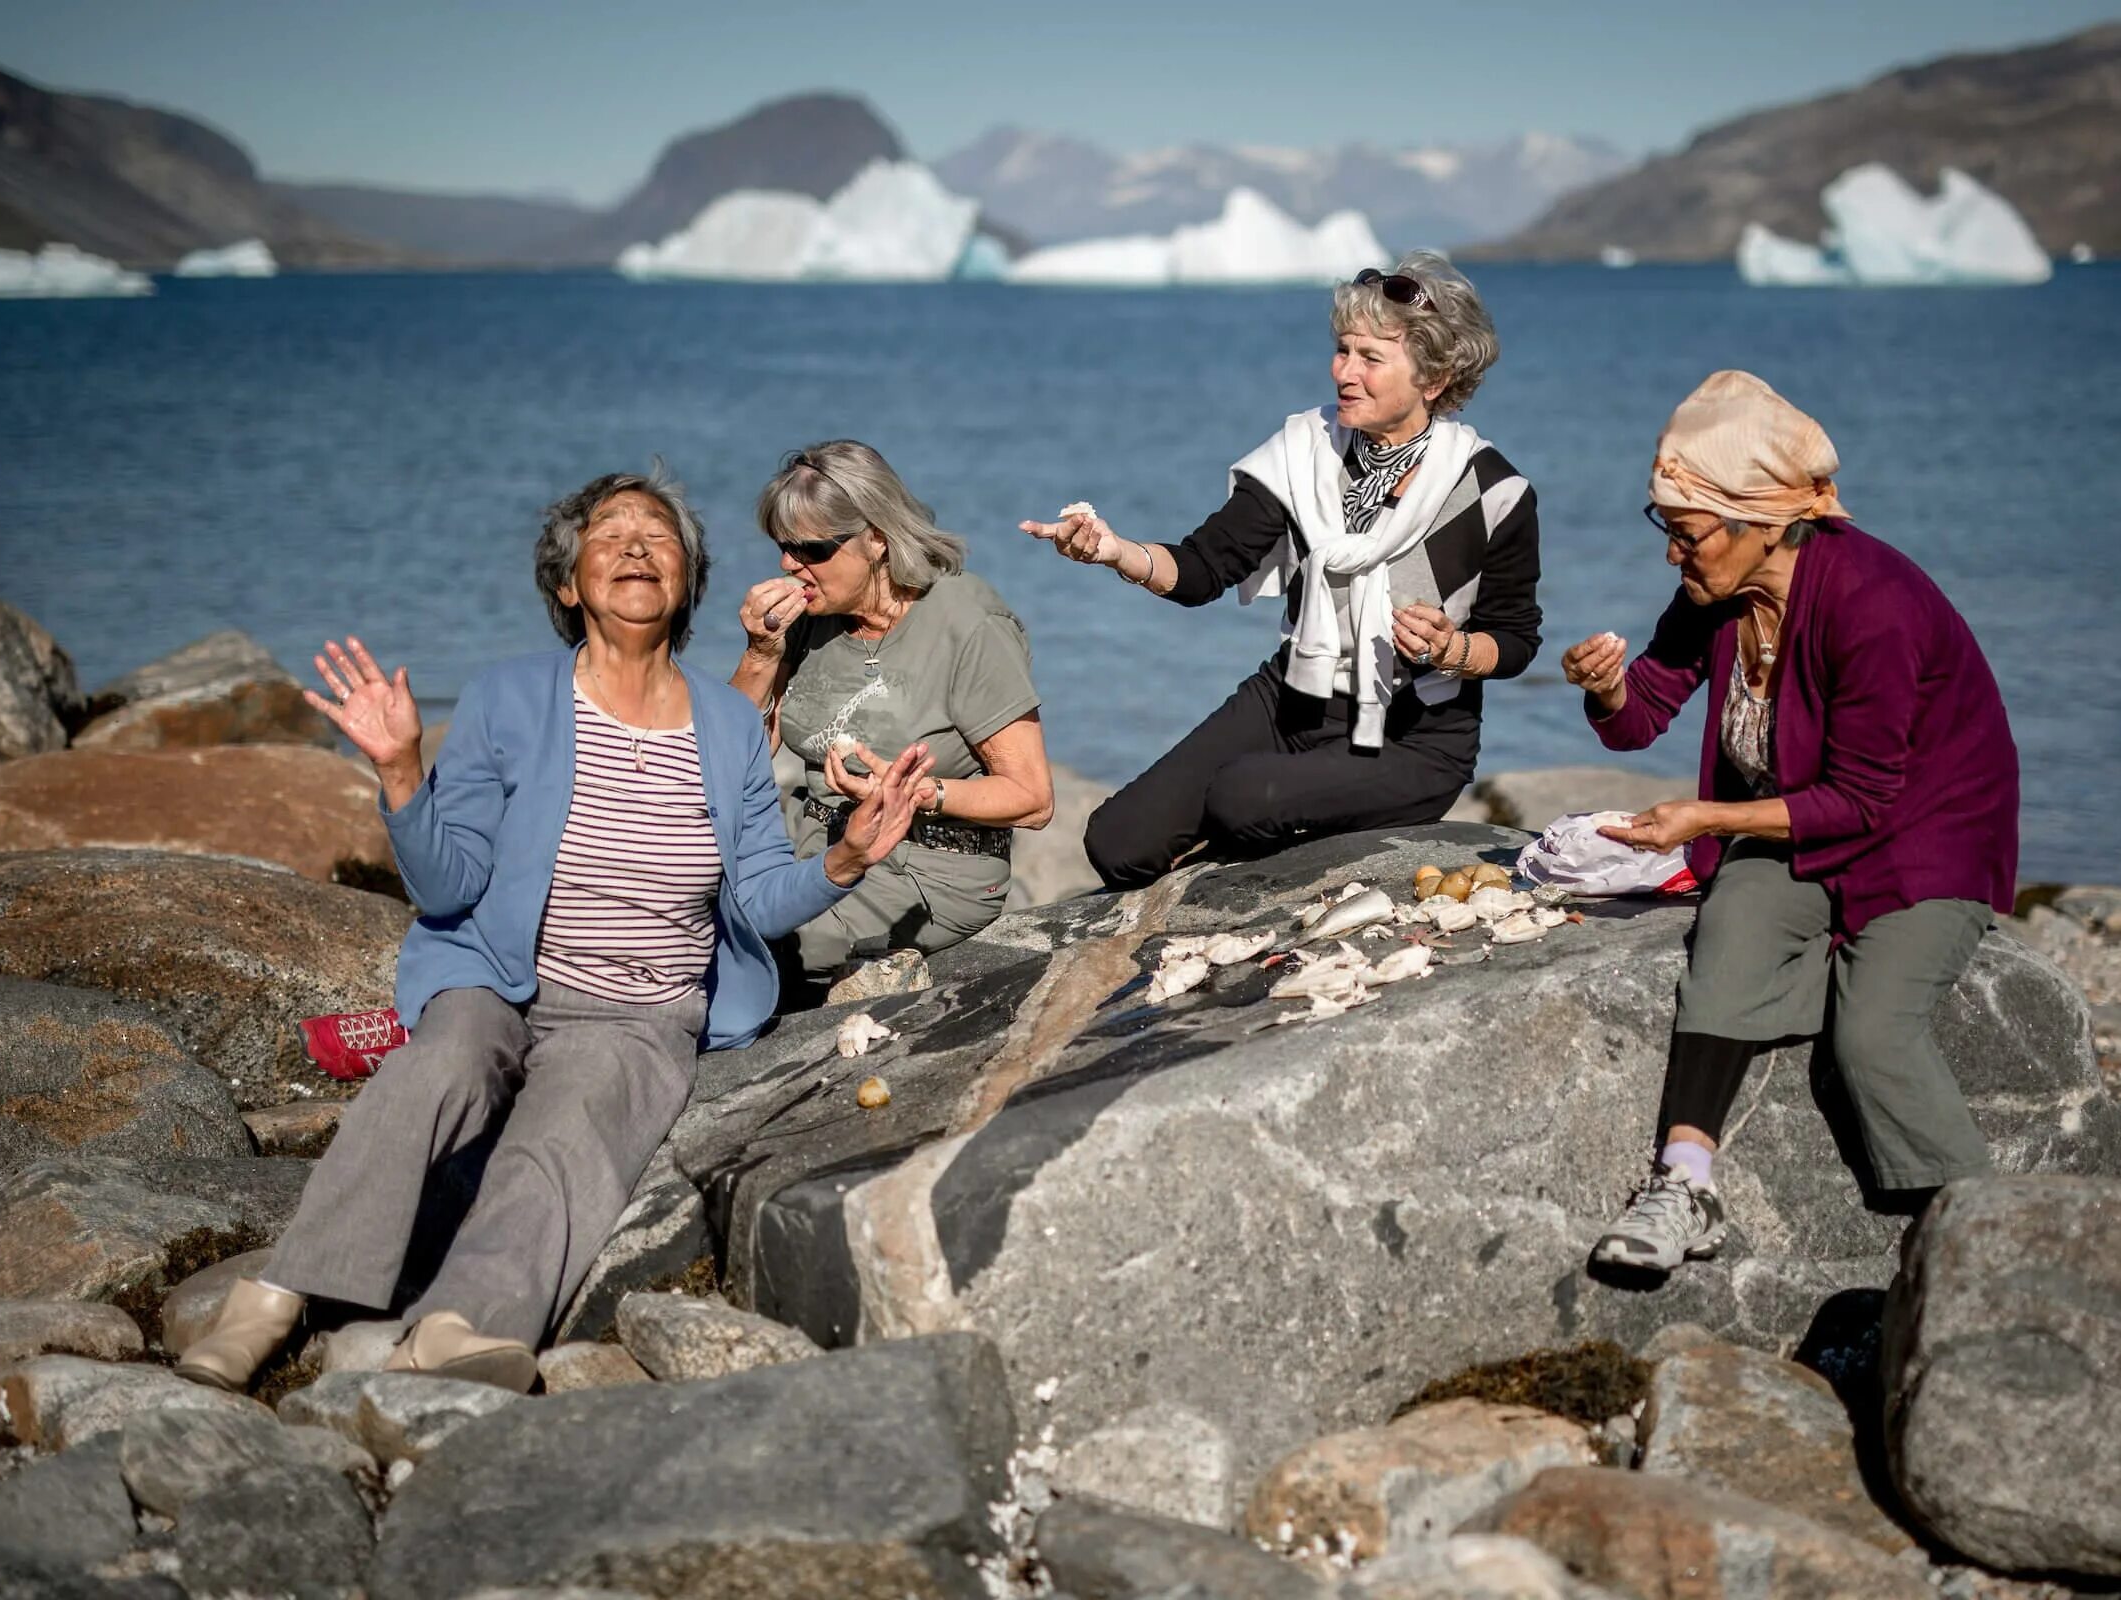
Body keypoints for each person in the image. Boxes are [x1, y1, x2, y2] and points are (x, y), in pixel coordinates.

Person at [177, 468, 931, 1393]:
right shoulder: (509, 698)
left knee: (571, 1126)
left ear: (686, 584)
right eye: (608, 534)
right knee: (440, 1064)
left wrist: (847, 860)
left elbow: (760, 897)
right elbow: (446, 884)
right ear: (569, 584)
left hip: (641, 1010)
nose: (634, 546)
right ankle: (273, 1297)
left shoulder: (731, 724)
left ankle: (457, 1326)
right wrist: (403, 770)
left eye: (658, 536)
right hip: (498, 977)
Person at [1562, 370, 2019, 1274]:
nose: (1673, 555)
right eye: (1670, 531)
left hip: (1923, 836)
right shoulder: (1717, 593)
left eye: (1686, 534)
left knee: (1873, 1031)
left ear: (1762, 520)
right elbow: (1642, 711)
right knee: (1731, 924)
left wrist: (1702, 814)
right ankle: (1683, 1184)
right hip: (1801, 821)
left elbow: (1867, 799)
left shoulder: (1872, 601)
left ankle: (1983, 1234)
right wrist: (1607, 683)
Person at [1020, 250, 1541, 888]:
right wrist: (1115, 551)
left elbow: (1514, 640)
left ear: (1433, 380)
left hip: (1416, 736)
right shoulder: (1302, 451)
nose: (1344, 372)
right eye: (1343, 349)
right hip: (1290, 696)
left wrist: (1453, 648)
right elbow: (1206, 568)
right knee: (1117, 842)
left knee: (1244, 800)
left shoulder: (1494, 492)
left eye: (1371, 358)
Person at [731, 441, 1051, 981]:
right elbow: (731, 754)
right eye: (783, 548)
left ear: (876, 538)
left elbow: (1033, 798)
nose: (790, 565)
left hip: (926, 867)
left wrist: (915, 795)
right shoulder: (812, 616)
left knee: (747, 945)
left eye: (811, 550)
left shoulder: (969, 625)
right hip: (814, 842)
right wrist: (760, 654)